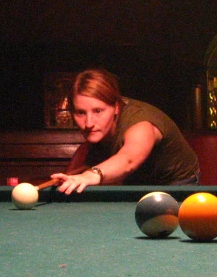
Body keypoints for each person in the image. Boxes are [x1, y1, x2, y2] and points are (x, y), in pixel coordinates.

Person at [50, 69, 199, 194]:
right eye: (81, 113)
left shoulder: (141, 123)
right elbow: (90, 155)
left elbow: (128, 159)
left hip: (176, 183)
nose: (88, 123)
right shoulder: (99, 130)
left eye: (98, 111)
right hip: (136, 181)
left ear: (116, 107)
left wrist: (91, 175)